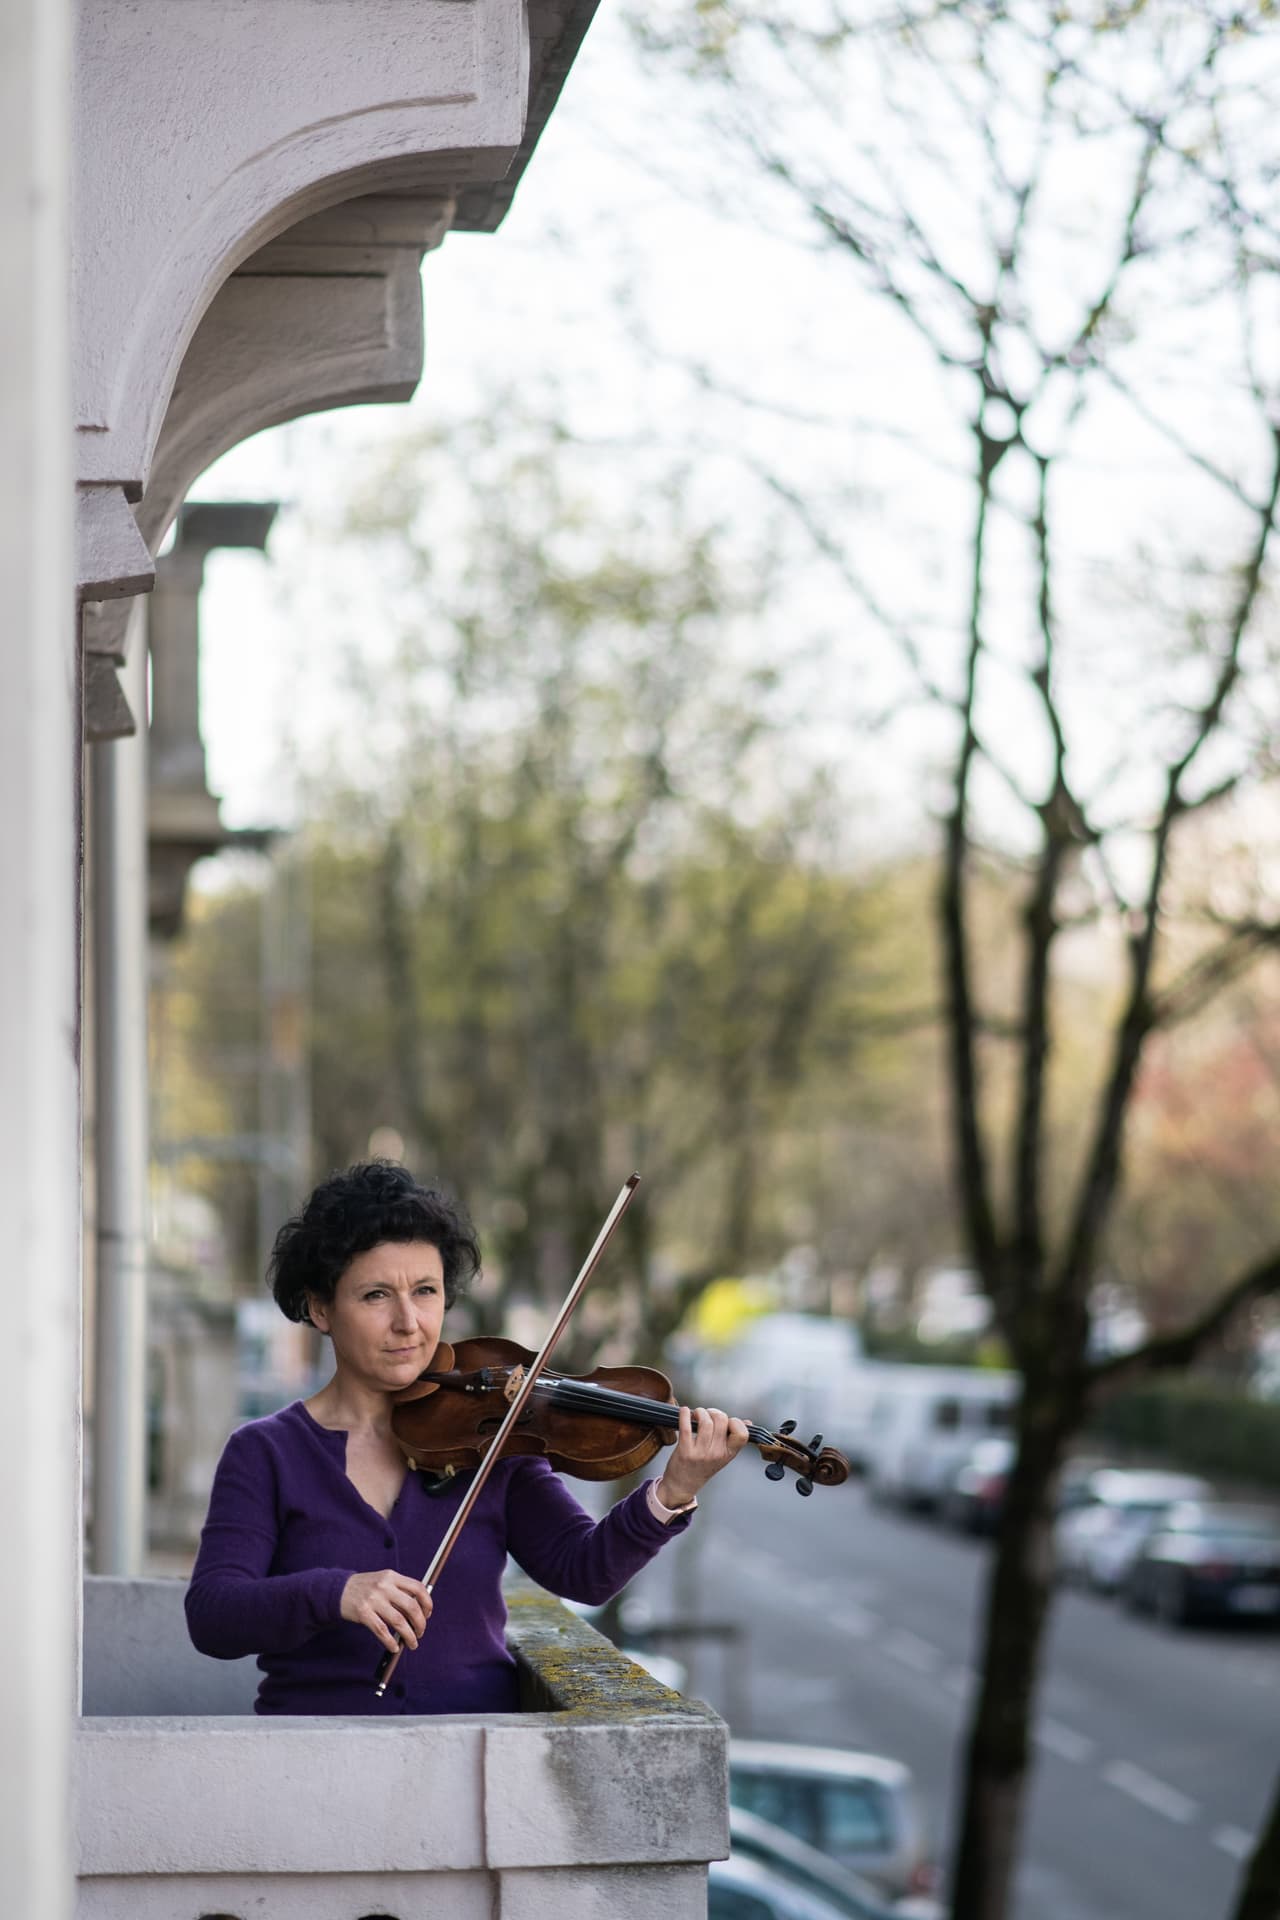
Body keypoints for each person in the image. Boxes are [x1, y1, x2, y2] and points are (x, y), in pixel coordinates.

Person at [185, 1161, 749, 1715]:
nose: (410, 1322)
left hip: (472, 1764)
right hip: (314, 1765)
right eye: (376, 1295)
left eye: (426, 1291)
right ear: (320, 1308)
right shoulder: (266, 1452)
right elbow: (214, 1614)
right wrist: (337, 1592)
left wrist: (673, 1491)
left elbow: (583, 1570)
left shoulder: (493, 1436)